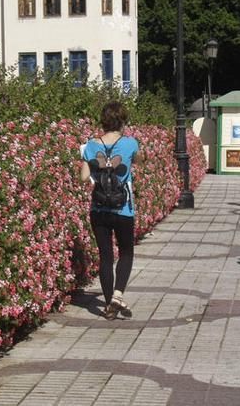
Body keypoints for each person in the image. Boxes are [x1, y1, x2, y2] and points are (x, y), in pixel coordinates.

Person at [80, 102, 144, 319]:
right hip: (123, 209)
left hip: (99, 209)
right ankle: (118, 295)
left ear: (103, 122)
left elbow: (82, 177)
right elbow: (138, 160)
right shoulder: (130, 143)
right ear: (123, 121)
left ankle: (109, 306)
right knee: (126, 251)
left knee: (105, 256)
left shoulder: (90, 145)